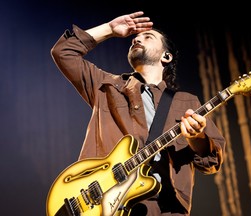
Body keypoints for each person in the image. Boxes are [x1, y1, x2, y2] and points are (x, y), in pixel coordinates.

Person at [50, 11, 226, 216]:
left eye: (148, 37)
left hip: (164, 209)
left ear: (166, 56)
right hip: (103, 206)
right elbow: (63, 52)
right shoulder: (106, 86)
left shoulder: (186, 102)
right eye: (136, 37)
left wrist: (197, 138)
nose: (137, 38)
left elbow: (211, 162)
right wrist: (109, 29)